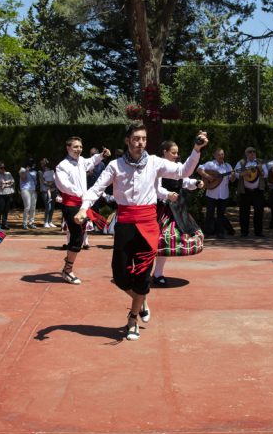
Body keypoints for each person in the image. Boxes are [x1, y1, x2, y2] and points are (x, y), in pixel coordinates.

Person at [74, 124, 208, 341]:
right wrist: (83, 208)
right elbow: (97, 189)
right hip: (125, 223)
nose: (140, 143)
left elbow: (183, 172)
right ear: (127, 140)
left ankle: (132, 319)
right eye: (136, 138)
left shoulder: (155, 162)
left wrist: (196, 149)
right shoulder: (115, 166)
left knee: (143, 276)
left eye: (144, 139)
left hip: (148, 224)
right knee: (120, 276)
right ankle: (141, 299)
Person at [54, 137, 110, 284]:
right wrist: (81, 193)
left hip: (82, 204)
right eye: (75, 147)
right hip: (71, 204)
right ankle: (67, 270)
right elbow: (63, 185)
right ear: (68, 148)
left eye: (80, 146)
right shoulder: (62, 166)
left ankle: (68, 264)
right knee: (77, 236)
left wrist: (101, 155)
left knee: (79, 235)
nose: (79, 149)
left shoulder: (81, 161)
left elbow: (92, 161)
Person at [153, 140, 205, 287]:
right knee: (160, 239)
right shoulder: (156, 167)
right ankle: (144, 271)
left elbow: (185, 181)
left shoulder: (178, 166)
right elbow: (155, 188)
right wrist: (168, 194)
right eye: (173, 152)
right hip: (162, 208)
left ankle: (157, 273)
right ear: (164, 152)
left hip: (178, 208)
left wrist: (196, 183)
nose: (176, 155)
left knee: (168, 240)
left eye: (177, 153)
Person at [197, 148, 233, 239]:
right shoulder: (210, 164)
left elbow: (232, 180)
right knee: (209, 213)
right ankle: (207, 232)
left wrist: (233, 176)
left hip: (224, 194)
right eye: (219, 154)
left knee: (221, 214)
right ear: (214, 155)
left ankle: (220, 232)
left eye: (222, 154)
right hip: (211, 193)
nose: (221, 156)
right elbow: (199, 169)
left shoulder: (227, 166)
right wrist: (207, 176)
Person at [232, 146, 268, 237]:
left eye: (253, 152)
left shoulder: (260, 162)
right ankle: (244, 232)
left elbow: (266, 175)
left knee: (259, 212)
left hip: (258, 191)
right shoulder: (241, 162)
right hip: (245, 191)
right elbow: (236, 174)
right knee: (244, 212)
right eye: (250, 152)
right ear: (246, 154)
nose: (252, 153)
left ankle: (258, 232)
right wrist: (244, 173)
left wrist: (261, 169)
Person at [0, 162, 15, 230]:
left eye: (4, 168)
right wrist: (8, 183)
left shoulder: (8, 173)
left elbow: (13, 181)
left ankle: (4, 224)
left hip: (8, 193)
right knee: (0, 209)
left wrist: (5, 183)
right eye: (1, 168)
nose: (3, 169)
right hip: (1, 193)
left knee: (6, 209)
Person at [19, 158, 39, 229]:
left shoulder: (34, 171)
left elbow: (35, 181)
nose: (33, 164)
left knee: (33, 207)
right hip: (25, 189)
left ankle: (31, 222)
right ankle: (24, 223)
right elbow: (23, 178)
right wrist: (26, 170)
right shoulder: (22, 169)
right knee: (27, 206)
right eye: (31, 163)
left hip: (33, 190)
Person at [39, 158, 57, 228]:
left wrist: (52, 184)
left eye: (45, 163)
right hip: (45, 190)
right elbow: (42, 181)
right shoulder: (40, 172)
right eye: (43, 163)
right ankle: (45, 222)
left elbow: (55, 180)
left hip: (53, 190)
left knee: (52, 206)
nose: (44, 164)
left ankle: (50, 221)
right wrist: (50, 184)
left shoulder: (52, 171)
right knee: (48, 206)